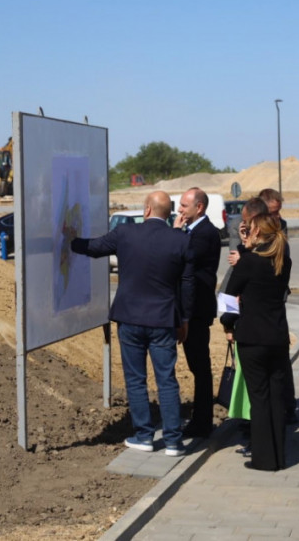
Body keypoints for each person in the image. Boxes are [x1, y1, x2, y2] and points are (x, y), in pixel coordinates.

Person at [71, 191, 195, 455]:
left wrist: (70, 239)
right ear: (169, 214)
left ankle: (144, 437)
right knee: (167, 380)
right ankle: (173, 442)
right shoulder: (181, 240)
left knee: (136, 380)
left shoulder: (125, 233)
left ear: (147, 209)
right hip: (164, 320)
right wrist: (184, 319)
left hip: (130, 318)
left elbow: (93, 248)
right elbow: (187, 283)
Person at [225, 213, 292, 471]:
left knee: (259, 398)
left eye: (250, 229)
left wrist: (227, 323)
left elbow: (229, 296)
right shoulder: (282, 261)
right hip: (277, 336)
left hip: (252, 337)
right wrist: (246, 248)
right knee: (276, 397)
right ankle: (278, 456)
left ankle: (263, 459)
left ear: (256, 232)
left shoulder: (249, 262)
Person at [174, 187, 221, 438]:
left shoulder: (205, 233)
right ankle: (200, 419)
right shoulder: (192, 231)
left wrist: (174, 233)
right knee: (196, 365)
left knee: (200, 367)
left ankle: (202, 422)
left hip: (197, 311)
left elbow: (183, 257)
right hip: (190, 309)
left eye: (184, 205)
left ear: (199, 207)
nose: (179, 209)